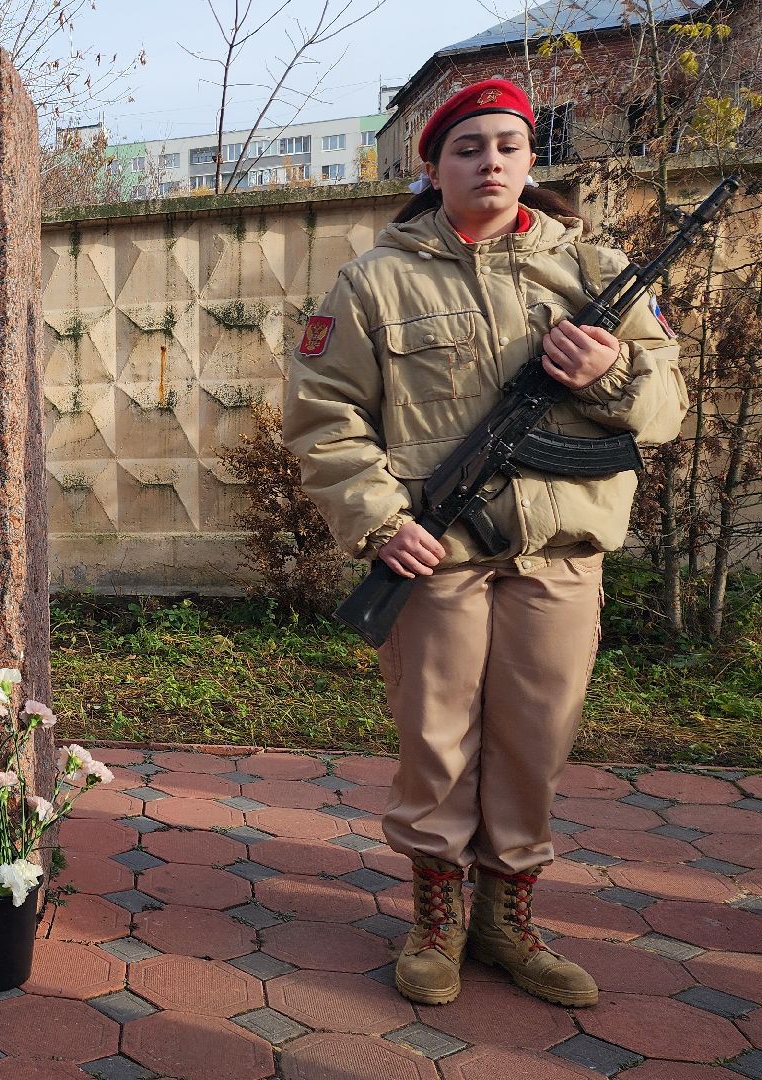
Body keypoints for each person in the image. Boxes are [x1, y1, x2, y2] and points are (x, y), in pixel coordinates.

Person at [284, 79, 685, 1008]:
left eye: (508, 145)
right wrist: (383, 523)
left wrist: (611, 373)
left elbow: (665, 409)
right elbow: (324, 417)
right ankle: (438, 916)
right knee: (438, 742)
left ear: (531, 160)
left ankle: (508, 919)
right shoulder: (375, 282)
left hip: (560, 551)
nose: (490, 162)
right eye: (467, 148)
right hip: (440, 555)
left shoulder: (596, 273)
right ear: (433, 168)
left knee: (536, 739)